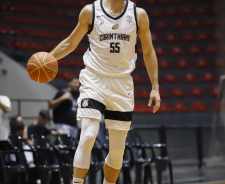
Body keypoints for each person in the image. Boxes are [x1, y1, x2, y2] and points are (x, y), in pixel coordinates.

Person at [49, 0, 161, 183]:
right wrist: (48, 58)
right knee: (88, 135)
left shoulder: (139, 15)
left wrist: (155, 87)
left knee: (117, 150)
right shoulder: (90, 12)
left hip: (122, 84)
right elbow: (70, 43)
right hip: (94, 80)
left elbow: (148, 51)